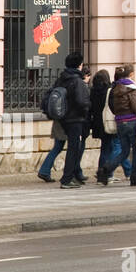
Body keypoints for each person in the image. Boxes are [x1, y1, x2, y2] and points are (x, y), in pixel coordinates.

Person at [98, 64, 136, 186]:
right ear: (131, 75)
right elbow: (134, 106)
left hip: (119, 122)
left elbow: (112, 107)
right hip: (131, 121)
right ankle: (135, 177)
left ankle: (106, 169)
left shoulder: (114, 88)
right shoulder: (132, 88)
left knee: (124, 151)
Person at [55, 52, 91, 189]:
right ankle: (67, 179)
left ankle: (73, 176)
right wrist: (85, 112)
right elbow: (82, 101)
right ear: (79, 65)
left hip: (64, 117)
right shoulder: (77, 81)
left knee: (72, 147)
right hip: (75, 118)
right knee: (74, 148)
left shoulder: (62, 78)